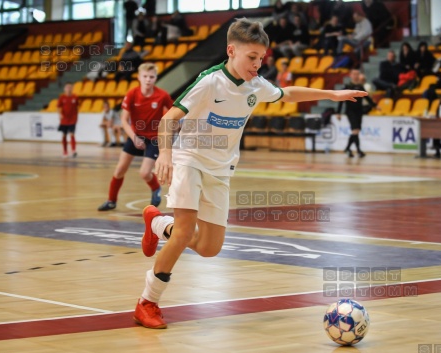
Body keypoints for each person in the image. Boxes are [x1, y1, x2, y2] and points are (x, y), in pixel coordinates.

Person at [133, 18, 367, 329]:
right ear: (231, 51)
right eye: (251, 58)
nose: (257, 65)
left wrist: (331, 95)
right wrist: (165, 153)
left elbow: (287, 93)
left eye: (261, 59)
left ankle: (159, 222)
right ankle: (147, 302)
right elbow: (168, 118)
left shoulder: (257, 86)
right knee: (186, 233)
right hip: (190, 158)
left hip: (220, 169)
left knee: (209, 248)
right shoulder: (209, 81)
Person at [98, 63, 173, 212]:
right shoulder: (132, 94)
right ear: (139, 77)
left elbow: (172, 114)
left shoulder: (162, 95)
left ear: (156, 78)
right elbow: (124, 120)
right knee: (119, 170)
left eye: (151, 77)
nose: (148, 80)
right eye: (145, 76)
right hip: (135, 136)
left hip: (153, 139)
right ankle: (111, 201)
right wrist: (134, 138)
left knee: (145, 173)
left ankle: (156, 187)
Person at [336, 69, 376, 158]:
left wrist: (375, 105)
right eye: (354, 74)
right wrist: (338, 112)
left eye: (357, 74)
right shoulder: (347, 86)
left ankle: (348, 149)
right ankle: (358, 150)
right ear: (350, 75)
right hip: (350, 111)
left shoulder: (360, 86)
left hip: (359, 111)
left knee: (357, 131)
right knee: (355, 130)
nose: (356, 76)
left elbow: (367, 97)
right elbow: (341, 99)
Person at [57, 82, 79, 158]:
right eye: (67, 87)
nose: (69, 89)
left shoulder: (75, 97)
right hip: (64, 120)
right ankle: (65, 152)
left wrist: (76, 116)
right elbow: (58, 107)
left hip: (72, 119)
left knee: (72, 134)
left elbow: (77, 107)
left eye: (70, 87)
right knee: (64, 135)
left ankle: (73, 150)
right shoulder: (62, 97)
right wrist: (60, 114)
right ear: (64, 88)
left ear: (72, 88)